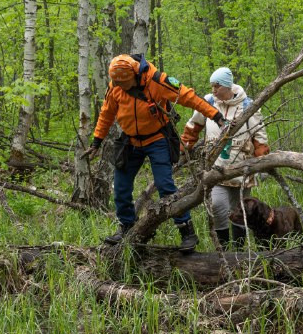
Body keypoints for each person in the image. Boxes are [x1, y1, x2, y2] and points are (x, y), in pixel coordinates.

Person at [85, 54, 225, 251]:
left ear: (134, 74)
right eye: (116, 83)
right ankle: (127, 227)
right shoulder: (114, 86)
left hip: (157, 139)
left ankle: (186, 231)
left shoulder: (157, 80)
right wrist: (96, 142)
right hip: (130, 141)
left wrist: (215, 115)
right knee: (121, 188)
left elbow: (188, 96)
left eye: (123, 82)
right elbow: (106, 113)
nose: (120, 86)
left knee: (165, 185)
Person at [180, 67, 270, 248]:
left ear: (228, 87)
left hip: (242, 170)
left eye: (217, 86)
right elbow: (193, 126)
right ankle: (223, 249)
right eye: (212, 86)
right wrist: (184, 147)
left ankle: (238, 250)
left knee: (241, 211)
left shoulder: (248, 106)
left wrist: (263, 164)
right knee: (218, 207)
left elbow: (260, 137)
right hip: (215, 168)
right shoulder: (208, 102)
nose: (213, 90)